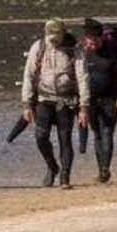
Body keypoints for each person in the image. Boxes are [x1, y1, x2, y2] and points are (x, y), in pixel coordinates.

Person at [20, 19, 91, 189]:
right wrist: (27, 104)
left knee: (65, 139)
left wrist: (84, 107)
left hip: (66, 101)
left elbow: (83, 78)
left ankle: (65, 177)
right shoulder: (38, 47)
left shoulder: (75, 50)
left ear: (63, 33)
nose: (52, 39)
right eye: (49, 35)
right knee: (40, 136)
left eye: (56, 35)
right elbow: (28, 75)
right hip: (44, 99)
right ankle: (52, 167)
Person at [77, 19, 117, 183]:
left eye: (95, 42)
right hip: (88, 100)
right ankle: (101, 170)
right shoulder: (81, 50)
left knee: (107, 132)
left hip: (110, 98)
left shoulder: (114, 49)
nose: (92, 46)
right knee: (97, 133)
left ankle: (105, 168)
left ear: (102, 38)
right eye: (89, 42)